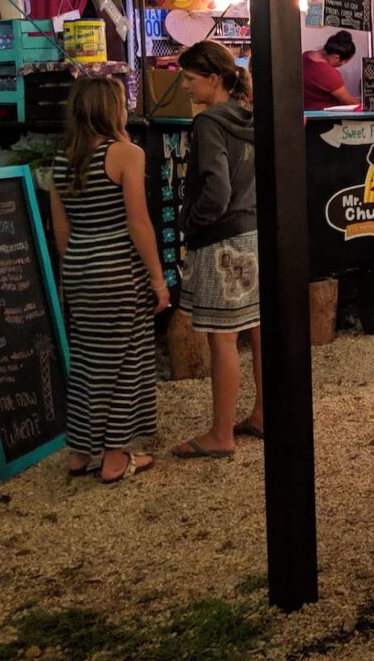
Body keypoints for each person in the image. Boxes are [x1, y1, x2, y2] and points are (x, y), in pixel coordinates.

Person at [50, 77, 169, 483]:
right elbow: (138, 222)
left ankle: (79, 451)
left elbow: (61, 231)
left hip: (81, 267)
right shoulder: (126, 154)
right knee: (126, 360)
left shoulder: (62, 159)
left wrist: (73, 276)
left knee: (86, 360)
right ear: (110, 109)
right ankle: (116, 458)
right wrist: (158, 280)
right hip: (119, 269)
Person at [172, 40, 261, 459]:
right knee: (259, 330)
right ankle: (263, 414)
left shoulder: (208, 122)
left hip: (222, 239)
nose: (185, 85)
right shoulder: (251, 115)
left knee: (222, 338)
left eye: (190, 78)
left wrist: (193, 220)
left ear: (212, 78)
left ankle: (221, 434)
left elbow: (217, 190)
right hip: (256, 233)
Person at [303, 29, 356, 109]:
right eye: (345, 61)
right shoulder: (328, 73)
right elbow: (349, 102)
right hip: (321, 117)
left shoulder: (306, 55)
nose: (343, 64)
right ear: (336, 57)